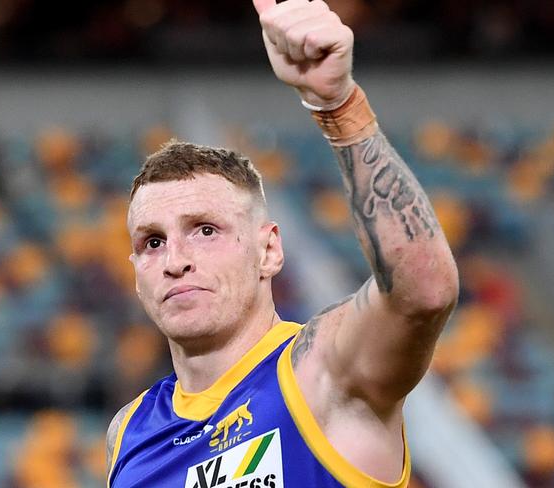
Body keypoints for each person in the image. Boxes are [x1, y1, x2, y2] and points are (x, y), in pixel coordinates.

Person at [106, 0, 459, 486]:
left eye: (205, 230)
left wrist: (339, 106)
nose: (175, 260)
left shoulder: (323, 373)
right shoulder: (128, 432)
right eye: (152, 242)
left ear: (268, 251)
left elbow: (423, 288)